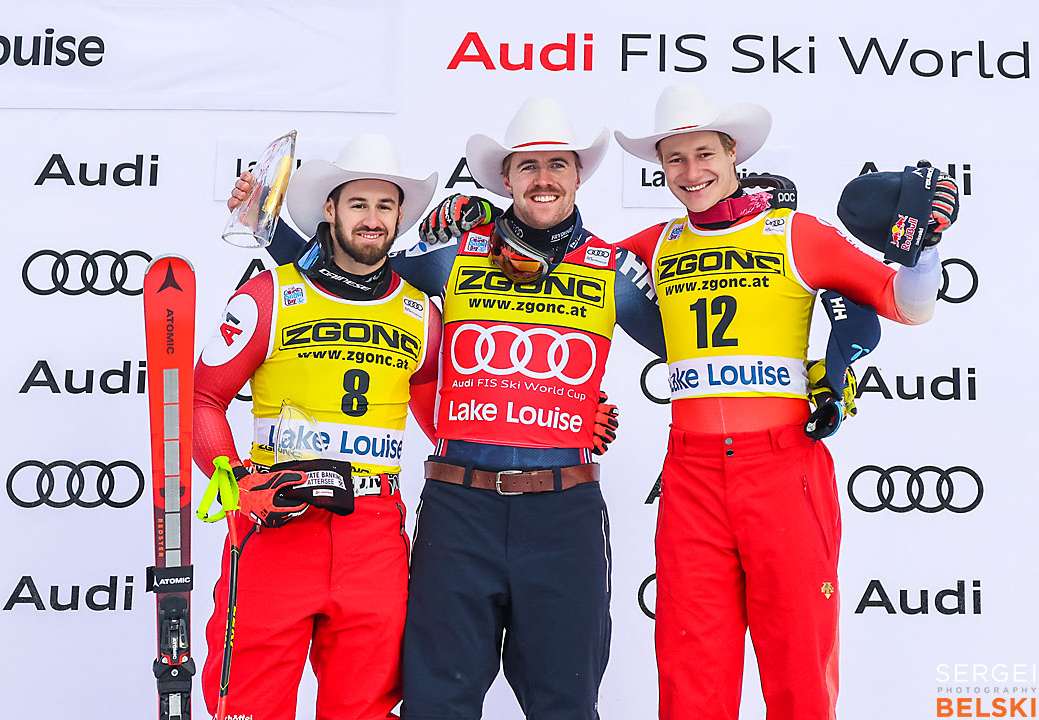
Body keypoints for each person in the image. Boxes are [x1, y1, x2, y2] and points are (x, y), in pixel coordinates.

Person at [239, 97, 666, 720]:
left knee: (565, 703)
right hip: (459, 509)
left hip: (563, 511)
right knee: (437, 703)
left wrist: (723, 221)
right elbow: (359, 274)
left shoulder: (613, 266)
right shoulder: (455, 253)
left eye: (557, 165)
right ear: (505, 178)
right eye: (527, 166)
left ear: (578, 175)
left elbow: (691, 344)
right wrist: (270, 226)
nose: (543, 179)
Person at [613, 83, 960, 720]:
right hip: (690, 472)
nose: (691, 173)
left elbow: (908, 306)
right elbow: (552, 271)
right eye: (674, 161)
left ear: (732, 153)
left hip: (780, 466)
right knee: (691, 670)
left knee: (799, 662)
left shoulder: (795, 233)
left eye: (703, 155)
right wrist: (476, 231)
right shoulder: (651, 245)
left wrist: (924, 248)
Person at [193, 134, 443, 720]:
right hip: (275, 517)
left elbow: (447, 423)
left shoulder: (420, 314)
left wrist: (564, 419)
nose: (373, 219)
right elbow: (203, 399)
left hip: (372, 532)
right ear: (329, 209)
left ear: (401, 216)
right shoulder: (269, 295)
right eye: (358, 203)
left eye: (386, 205)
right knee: (247, 706)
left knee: (364, 709)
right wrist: (232, 483)